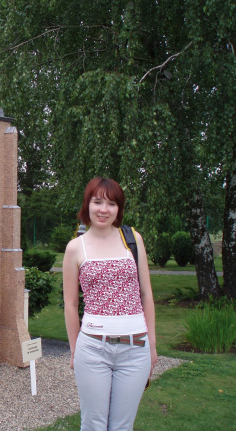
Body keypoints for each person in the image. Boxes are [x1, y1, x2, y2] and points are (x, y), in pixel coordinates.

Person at [63, 177, 157, 431]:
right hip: (93, 349)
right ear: (87, 205)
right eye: (97, 202)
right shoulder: (75, 248)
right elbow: (70, 304)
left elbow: (146, 295)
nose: (104, 209)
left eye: (111, 204)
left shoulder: (133, 239)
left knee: (121, 426)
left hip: (135, 350)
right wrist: (75, 350)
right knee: (93, 425)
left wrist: (152, 347)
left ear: (119, 209)